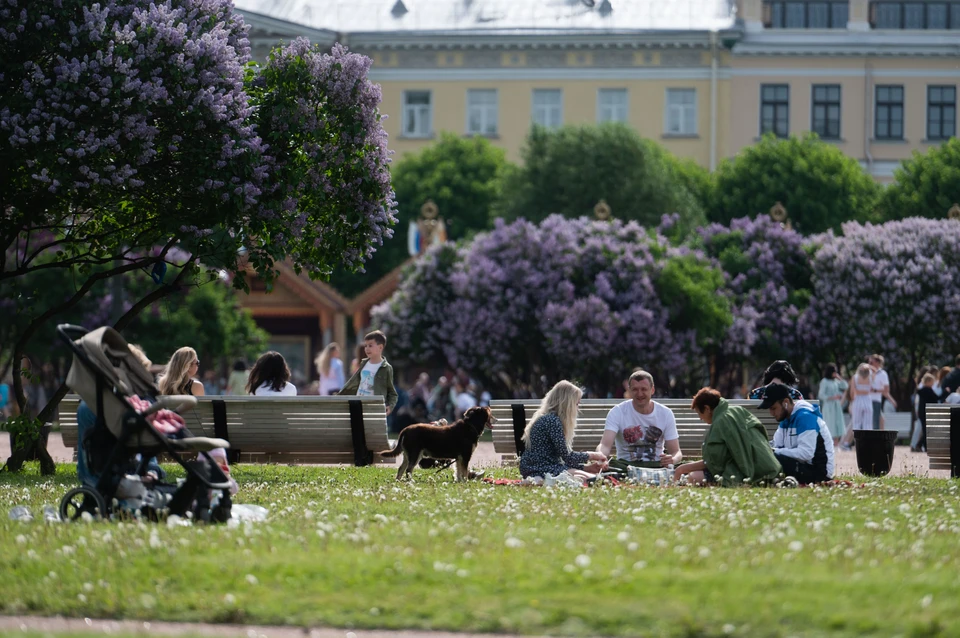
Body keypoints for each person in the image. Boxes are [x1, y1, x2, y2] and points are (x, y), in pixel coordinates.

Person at [674, 388, 781, 486]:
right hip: (770, 467)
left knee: (694, 477)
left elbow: (715, 463)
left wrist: (682, 469)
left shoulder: (721, 421)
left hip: (749, 473)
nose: (700, 418)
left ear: (707, 409)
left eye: (699, 414)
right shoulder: (737, 411)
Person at [519, 380, 607, 481]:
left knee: (588, 477)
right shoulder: (553, 421)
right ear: (567, 404)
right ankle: (539, 480)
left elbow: (561, 458)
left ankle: (540, 480)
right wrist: (593, 455)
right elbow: (568, 457)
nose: (577, 409)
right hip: (539, 468)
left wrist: (587, 468)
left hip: (536, 466)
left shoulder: (548, 418)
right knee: (594, 479)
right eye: (576, 404)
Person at [598, 369, 682, 471]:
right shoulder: (617, 412)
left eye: (644, 389)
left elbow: (676, 452)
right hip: (626, 466)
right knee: (611, 467)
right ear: (629, 390)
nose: (639, 394)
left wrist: (672, 459)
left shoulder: (666, 413)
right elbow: (605, 445)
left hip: (657, 466)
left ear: (652, 390)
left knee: (686, 467)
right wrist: (600, 456)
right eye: (635, 389)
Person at [760, 382, 835, 484]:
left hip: (819, 473)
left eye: (773, 408)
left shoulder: (806, 417)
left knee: (775, 457)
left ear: (785, 402)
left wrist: (775, 451)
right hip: (802, 466)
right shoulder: (785, 419)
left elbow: (806, 454)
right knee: (763, 455)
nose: (771, 413)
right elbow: (776, 445)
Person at [339, 330, 399, 415]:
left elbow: (392, 393)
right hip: (358, 405)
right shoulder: (363, 364)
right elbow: (353, 384)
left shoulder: (386, 368)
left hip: (373, 408)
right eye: (366, 346)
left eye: (370, 345)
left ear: (380, 347)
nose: (366, 349)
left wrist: (390, 406)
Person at [840, 363, 874, 450]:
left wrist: (852, 401)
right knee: (867, 423)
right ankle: (867, 444)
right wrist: (870, 367)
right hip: (867, 400)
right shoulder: (870, 376)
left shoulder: (855, 377)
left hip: (857, 400)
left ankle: (858, 444)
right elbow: (871, 389)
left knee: (856, 423)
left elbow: (852, 392)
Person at [818, 363, 849, 444]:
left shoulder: (835, 381)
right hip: (828, 406)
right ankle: (829, 444)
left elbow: (846, 386)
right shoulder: (824, 381)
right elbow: (821, 395)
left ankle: (836, 444)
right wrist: (832, 397)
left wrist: (839, 378)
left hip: (836, 405)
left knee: (837, 424)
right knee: (830, 424)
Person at [868, 354, 896, 429]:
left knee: (877, 422)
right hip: (866, 400)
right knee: (879, 420)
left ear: (877, 363)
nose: (869, 364)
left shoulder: (883, 374)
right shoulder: (867, 373)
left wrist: (875, 390)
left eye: (871, 362)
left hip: (875, 401)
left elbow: (886, 390)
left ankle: (878, 439)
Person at [914, 373, 939, 452]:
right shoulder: (927, 390)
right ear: (928, 381)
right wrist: (946, 392)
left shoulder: (922, 390)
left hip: (922, 413)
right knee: (926, 431)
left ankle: (922, 445)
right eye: (932, 382)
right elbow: (936, 398)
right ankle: (920, 445)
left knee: (926, 430)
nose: (933, 384)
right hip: (925, 413)